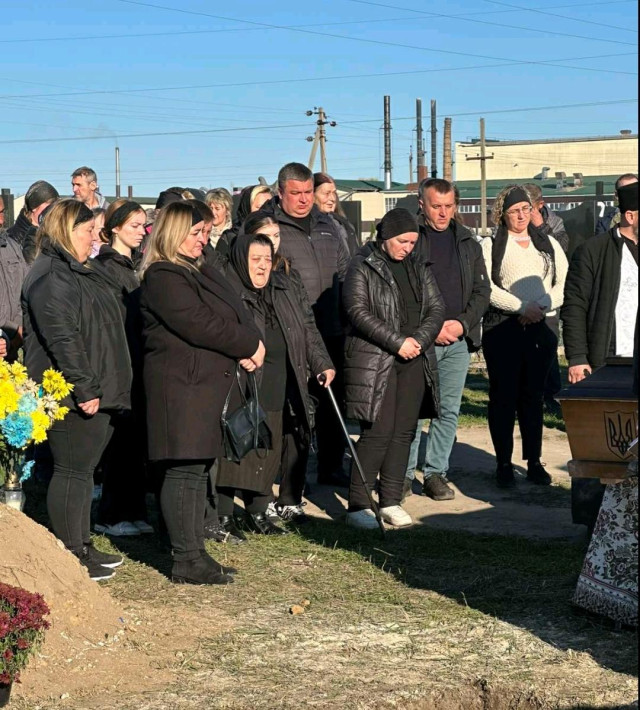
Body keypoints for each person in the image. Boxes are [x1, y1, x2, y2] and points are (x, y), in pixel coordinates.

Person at [139, 201, 264, 585]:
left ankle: (195, 551)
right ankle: (186, 558)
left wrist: (252, 338)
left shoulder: (197, 269)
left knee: (195, 473)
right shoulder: (162, 275)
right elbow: (199, 323)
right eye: (195, 233)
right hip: (181, 389)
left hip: (200, 389)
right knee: (183, 472)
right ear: (173, 233)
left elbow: (234, 309)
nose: (202, 240)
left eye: (206, 233)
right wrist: (248, 343)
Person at [21, 199, 132, 581]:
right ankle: (70, 553)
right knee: (71, 470)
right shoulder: (52, 276)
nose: (94, 240)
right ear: (67, 231)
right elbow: (62, 338)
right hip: (70, 393)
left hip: (93, 387)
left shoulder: (75, 270)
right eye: (88, 232)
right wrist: (84, 387)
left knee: (83, 471)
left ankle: (81, 542)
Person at [215, 233, 335, 536]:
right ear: (241, 261)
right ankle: (223, 515)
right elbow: (217, 332)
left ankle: (257, 511)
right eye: (255, 259)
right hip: (241, 382)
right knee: (235, 449)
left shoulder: (283, 288)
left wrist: (321, 362)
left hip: (281, 378)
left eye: (267, 260)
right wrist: (239, 351)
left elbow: (306, 327)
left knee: (268, 449)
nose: (262, 266)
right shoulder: (227, 290)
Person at [343, 208, 444, 529]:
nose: (407, 248)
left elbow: (436, 308)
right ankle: (358, 505)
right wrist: (397, 342)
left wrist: (419, 341)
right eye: (402, 241)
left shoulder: (419, 267)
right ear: (385, 237)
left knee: (404, 433)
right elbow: (357, 311)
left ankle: (390, 500)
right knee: (377, 433)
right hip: (377, 361)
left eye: (412, 242)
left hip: (414, 358)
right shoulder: (362, 265)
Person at [257, 162, 350, 486]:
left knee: (331, 403)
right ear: (280, 192)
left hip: (331, 327)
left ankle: (331, 466)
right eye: (295, 193)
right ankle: (288, 473)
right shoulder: (271, 227)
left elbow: (344, 270)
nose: (303, 199)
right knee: (294, 406)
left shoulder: (329, 224)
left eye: (308, 192)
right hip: (290, 331)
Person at [404, 178, 490, 502]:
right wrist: (432, 327)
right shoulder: (410, 239)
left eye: (448, 206)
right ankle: (402, 474)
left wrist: (463, 324)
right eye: (436, 206)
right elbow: (402, 292)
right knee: (413, 410)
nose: (443, 213)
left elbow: (482, 291)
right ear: (422, 204)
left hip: (457, 340)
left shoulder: (468, 242)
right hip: (420, 340)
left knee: (447, 410)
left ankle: (435, 473)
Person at [562, 181, 638, 530]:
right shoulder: (593, 251)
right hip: (605, 360)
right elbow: (575, 306)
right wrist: (578, 357)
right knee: (599, 443)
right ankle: (592, 522)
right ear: (631, 215)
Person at [481, 185, 568, 488]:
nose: (521, 215)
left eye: (526, 209)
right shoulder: (491, 244)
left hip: (540, 327)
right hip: (503, 329)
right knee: (503, 398)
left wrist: (539, 306)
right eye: (514, 211)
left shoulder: (548, 244)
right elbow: (487, 287)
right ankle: (503, 464)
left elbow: (562, 283)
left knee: (533, 397)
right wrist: (520, 307)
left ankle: (534, 461)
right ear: (502, 214)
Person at [93, 201, 152, 537]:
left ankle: (134, 509)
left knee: (135, 440)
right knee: (120, 442)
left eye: (143, 226)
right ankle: (112, 515)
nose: (141, 232)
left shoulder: (134, 265)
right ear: (114, 227)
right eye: (134, 225)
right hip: (121, 361)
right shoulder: (106, 267)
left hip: (138, 360)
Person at [522, 182, 570, 414]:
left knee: (548, 347)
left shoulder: (555, 222)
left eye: (528, 207)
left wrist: (540, 227)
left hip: (548, 294)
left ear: (540, 205)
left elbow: (560, 249)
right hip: (521, 296)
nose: (523, 213)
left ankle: (551, 396)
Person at [6, 180, 59, 265]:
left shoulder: (54, 235)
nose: (54, 210)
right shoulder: (10, 240)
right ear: (34, 206)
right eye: (50, 205)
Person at [0, 218, 29, 363]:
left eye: (1, 213)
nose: (1, 220)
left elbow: (26, 290)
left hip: (12, 348)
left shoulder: (12, 247)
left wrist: (18, 330)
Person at [215, 184, 272, 257]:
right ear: (247, 208)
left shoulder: (280, 234)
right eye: (260, 207)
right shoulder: (231, 239)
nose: (266, 211)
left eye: (270, 206)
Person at [313, 173, 360, 256]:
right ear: (312, 195)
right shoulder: (308, 226)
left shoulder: (344, 224)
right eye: (327, 193)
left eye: (334, 193)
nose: (332, 198)